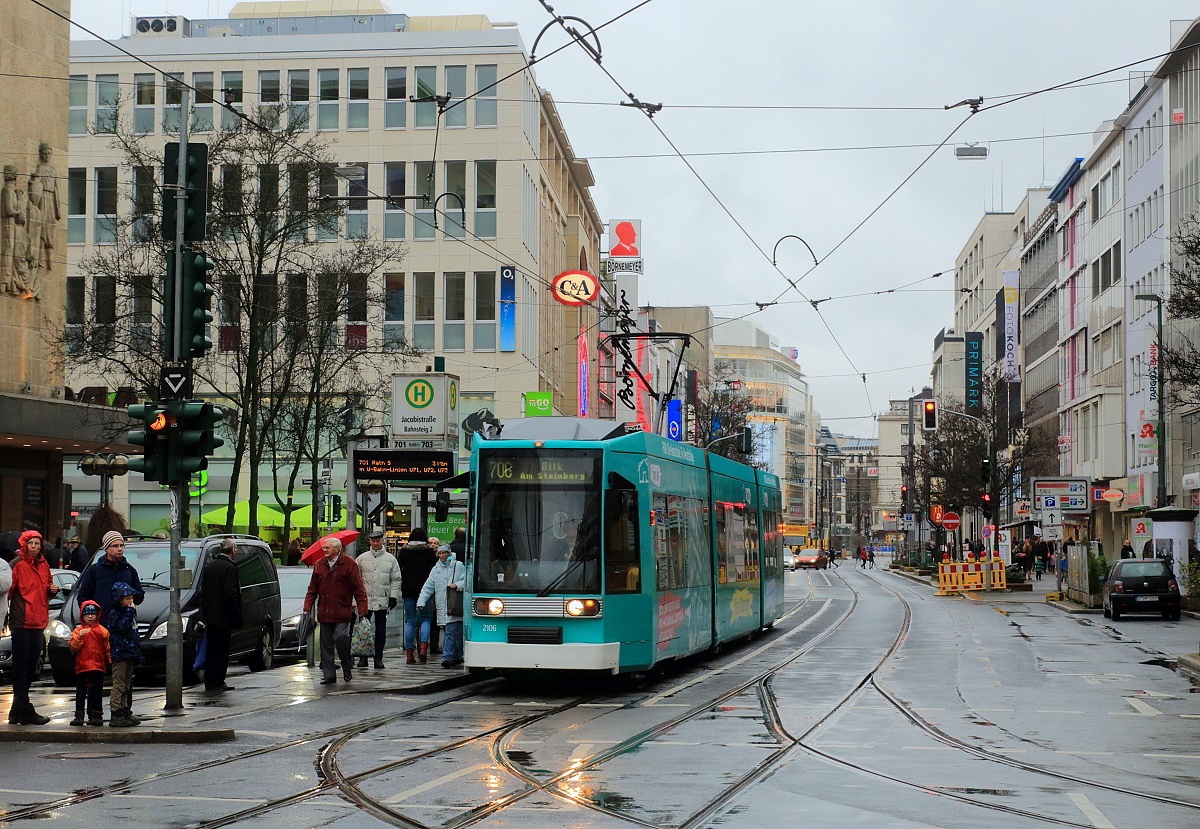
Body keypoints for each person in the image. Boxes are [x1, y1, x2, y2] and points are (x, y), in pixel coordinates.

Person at [6, 530, 58, 725]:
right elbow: (7, 592)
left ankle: (16, 710)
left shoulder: (43, 565)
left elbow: (46, 589)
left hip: (38, 621)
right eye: (31, 543)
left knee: (31, 668)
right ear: (24, 545)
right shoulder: (17, 565)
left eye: (37, 543)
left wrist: (50, 591)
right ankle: (25, 709)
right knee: (21, 667)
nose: (35, 547)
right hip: (21, 622)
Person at [303, 537, 367, 685]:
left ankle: (346, 665)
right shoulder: (319, 565)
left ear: (338, 549)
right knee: (325, 645)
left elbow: (358, 588)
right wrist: (307, 607)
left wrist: (362, 607)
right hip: (324, 612)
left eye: (328, 548)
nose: (324, 550)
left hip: (342, 611)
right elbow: (312, 589)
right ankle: (329, 675)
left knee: (341, 639)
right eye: (324, 548)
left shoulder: (349, 564)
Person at [76, 530, 144, 629]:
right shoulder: (94, 571)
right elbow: (83, 598)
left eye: (121, 545)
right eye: (115, 546)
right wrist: (91, 617)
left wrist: (129, 596)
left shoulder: (129, 570)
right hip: (101, 626)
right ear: (106, 548)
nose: (120, 549)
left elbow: (140, 596)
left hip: (125, 627)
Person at [199, 539, 242, 693]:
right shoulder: (229, 568)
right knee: (222, 650)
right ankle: (218, 680)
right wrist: (235, 614)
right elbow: (230, 593)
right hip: (224, 616)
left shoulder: (209, 566)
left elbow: (204, 592)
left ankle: (209, 680)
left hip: (210, 616)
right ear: (233, 550)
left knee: (211, 648)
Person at [356, 529, 401, 669]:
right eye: (373, 540)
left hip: (382, 599)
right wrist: (356, 599)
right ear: (370, 541)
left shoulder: (390, 559)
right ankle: (363, 658)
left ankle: (378, 658)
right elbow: (356, 580)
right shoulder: (362, 558)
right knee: (364, 630)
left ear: (382, 540)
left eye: (378, 540)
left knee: (380, 631)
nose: (375, 543)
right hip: (365, 600)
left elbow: (396, 579)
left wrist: (393, 596)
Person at [417, 544, 467, 668]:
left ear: (449, 553)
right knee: (450, 632)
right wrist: (421, 601)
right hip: (442, 606)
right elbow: (428, 586)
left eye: (443, 553)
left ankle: (447, 657)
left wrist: (457, 585)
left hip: (454, 605)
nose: (441, 556)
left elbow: (468, 580)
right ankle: (456, 656)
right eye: (439, 553)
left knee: (451, 632)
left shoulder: (458, 565)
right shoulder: (436, 569)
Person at [397, 527, 438, 664]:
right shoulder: (429, 552)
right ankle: (423, 649)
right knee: (425, 619)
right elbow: (434, 570)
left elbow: (399, 568)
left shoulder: (404, 552)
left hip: (408, 589)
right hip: (425, 590)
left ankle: (409, 655)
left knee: (410, 621)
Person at [69, 600, 109, 726]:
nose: (90, 616)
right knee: (81, 693)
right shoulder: (78, 631)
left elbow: (107, 647)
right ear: (82, 616)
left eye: (93, 614)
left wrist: (109, 660)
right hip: (83, 667)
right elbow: (74, 647)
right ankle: (79, 715)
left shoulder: (102, 630)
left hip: (97, 667)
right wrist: (79, 637)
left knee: (96, 693)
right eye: (87, 614)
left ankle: (96, 715)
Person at [108, 581, 142, 727]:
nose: (130, 601)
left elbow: (134, 634)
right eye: (127, 598)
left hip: (129, 652)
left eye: (131, 598)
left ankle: (125, 710)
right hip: (120, 653)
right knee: (119, 684)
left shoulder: (131, 613)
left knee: (127, 684)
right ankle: (116, 711)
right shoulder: (115, 614)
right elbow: (121, 628)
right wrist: (129, 612)